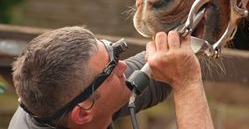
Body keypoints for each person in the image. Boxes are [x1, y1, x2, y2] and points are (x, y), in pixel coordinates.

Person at [9, 26, 213, 129]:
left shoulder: (56, 103)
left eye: (114, 54)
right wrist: (188, 84)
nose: (123, 66)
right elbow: (182, 77)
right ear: (82, 113)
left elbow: (163, 69)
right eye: (110, 70)